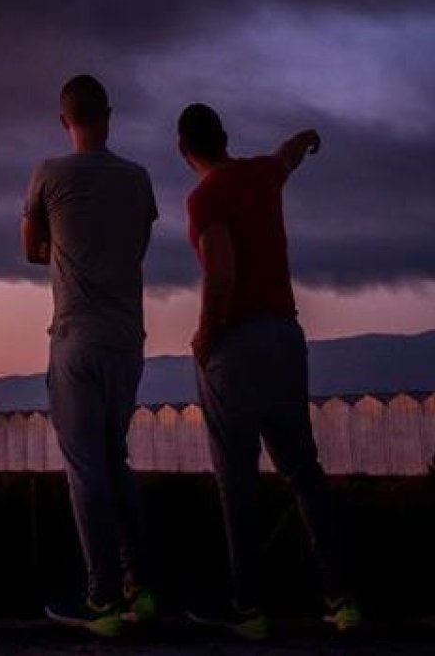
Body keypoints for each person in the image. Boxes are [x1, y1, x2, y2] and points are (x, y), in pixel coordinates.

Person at [176, 103, 360, 639]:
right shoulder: (259, 173)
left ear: (183, 151)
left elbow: (222, 269)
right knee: (304, 471)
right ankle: (342, 600)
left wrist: (208, 332)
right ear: (225, 138)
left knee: (236, 479)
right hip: (285, 336)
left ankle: (248, 608)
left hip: (236, 343)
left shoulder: (203, 198)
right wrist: (304, 138)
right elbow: (285, 159)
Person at [22, 74, 158, 638]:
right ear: (110, 114)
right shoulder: (138, 178)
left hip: (77, 339)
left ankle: (101, 599)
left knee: (86, 470)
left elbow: (31, 250)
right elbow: (137, 249)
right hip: (128, 341)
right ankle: (140, 590)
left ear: (63, 121)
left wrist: (66, 248)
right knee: (115, 459)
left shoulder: (49, 174)